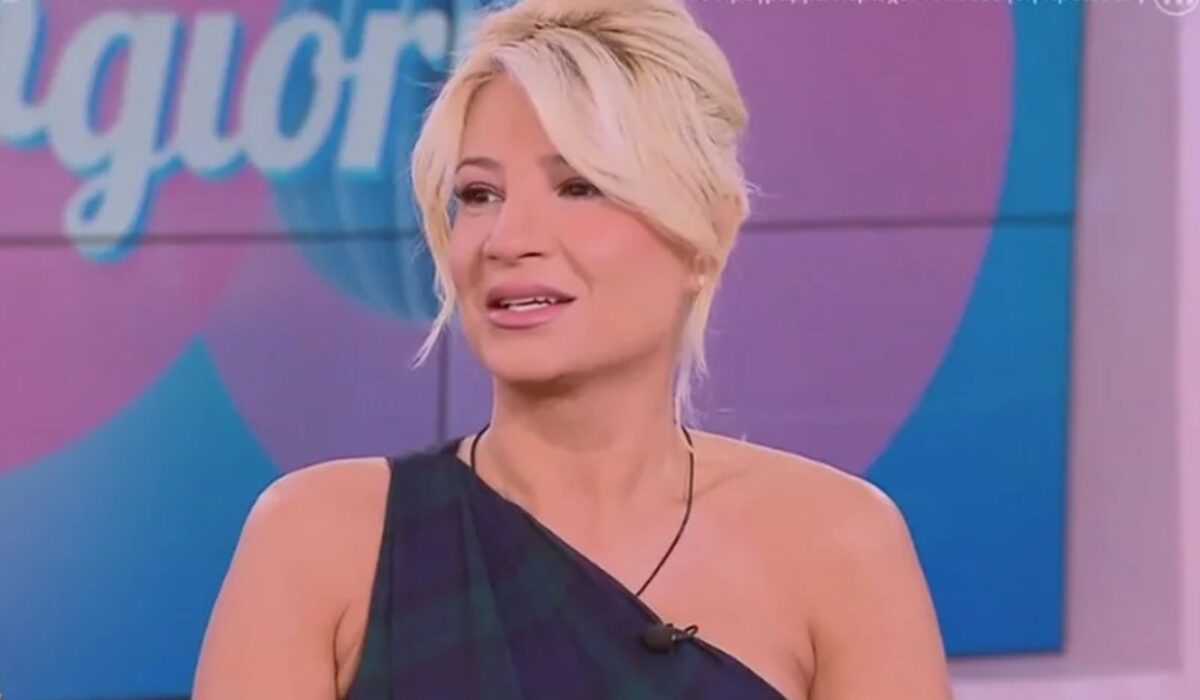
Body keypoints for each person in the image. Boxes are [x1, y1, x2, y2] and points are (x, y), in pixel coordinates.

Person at [192, 0, 952, 697]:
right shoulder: (319, 541)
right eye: (480, 194)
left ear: (704, 237)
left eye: (579, 187)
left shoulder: (838, 546)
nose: (506, 239)